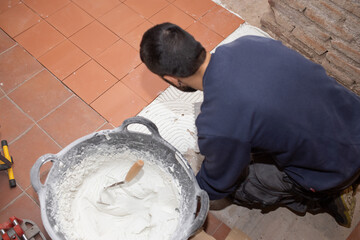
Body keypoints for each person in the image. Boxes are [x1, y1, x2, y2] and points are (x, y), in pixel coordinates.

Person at [139, 22, 360, 227]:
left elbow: (219, 182)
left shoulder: (217, 123)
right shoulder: (250, 43)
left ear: (170, 79)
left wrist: (190, 195)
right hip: (352, 118)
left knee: (240, 186)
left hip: (335, 169)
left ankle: (327, 196)